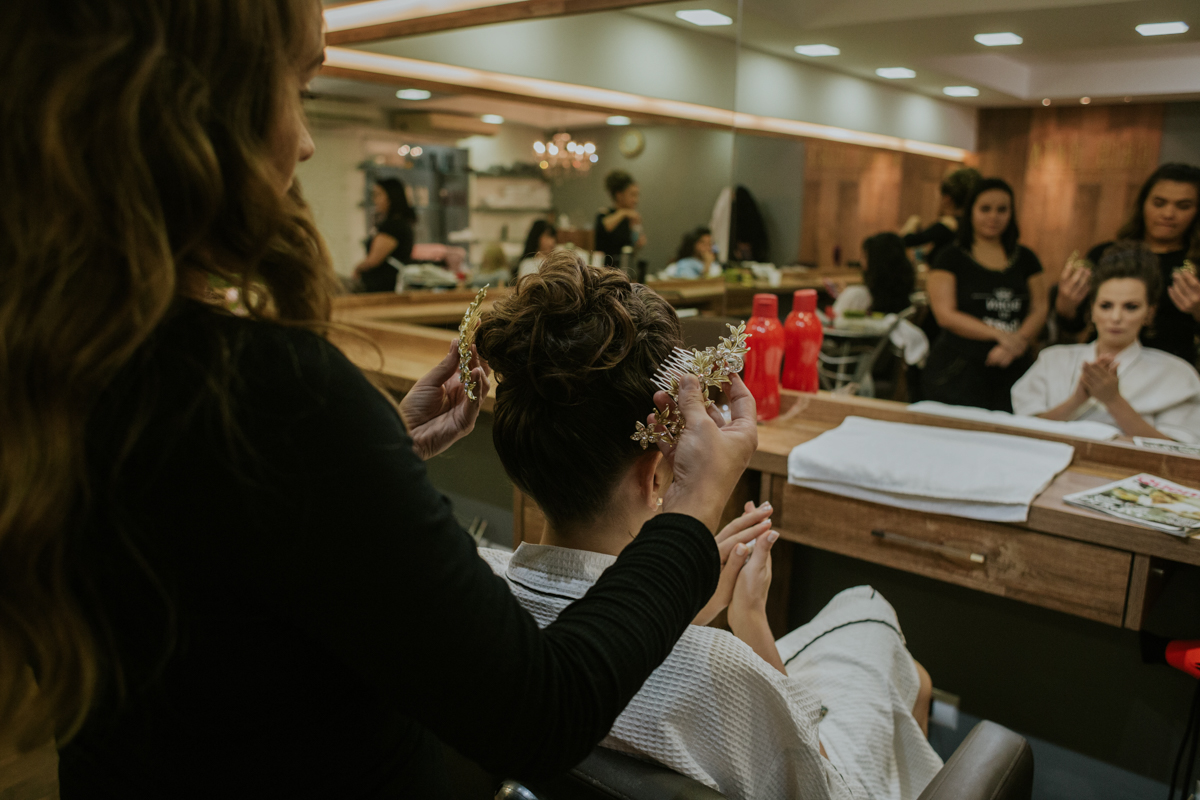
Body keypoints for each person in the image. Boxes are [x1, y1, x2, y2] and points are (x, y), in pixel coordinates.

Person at [1, 1, 761, 795]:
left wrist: (371, 461)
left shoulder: (66, 358)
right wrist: (691, 511)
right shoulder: (266, 396)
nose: (302, 138)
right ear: (191, 108)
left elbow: (228, 591)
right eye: (294, 86)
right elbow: (543, 714)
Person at [476, 253, 943, 800]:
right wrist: (751, 627)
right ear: (655, 476)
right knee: (871, 614)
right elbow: (827, 789)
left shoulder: (472, 595)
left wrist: (686, 604)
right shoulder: (727, 672)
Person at [1013, 243, 1200, 443]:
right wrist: (1078, 400)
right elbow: (1025, 432)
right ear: (1092, 309)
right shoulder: (1053, 359)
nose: (1116, 317)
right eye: (1106, 306)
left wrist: (1113, 400)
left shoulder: (1177, 374)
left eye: (1131, 307)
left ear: (1149, 313)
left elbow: (1179, 452)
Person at [922, 178, 1049, 411]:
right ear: (971, 211)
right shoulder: (949, 257)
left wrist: (1017, 342)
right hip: (958, 369)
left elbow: (1040, 307)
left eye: (1002, 209)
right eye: (985, 209)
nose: (993, 217)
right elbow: (945, 314)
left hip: (1014, 365)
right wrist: (1000, 335)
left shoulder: (1026, 258)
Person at [1055, 163, 1200, 363]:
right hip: (1105, 364)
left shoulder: (1195, 264)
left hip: (1171, 371)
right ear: (1143, 204)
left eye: (1183, 206)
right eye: (1159, 203)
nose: (1168, 214)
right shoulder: (1105, 255)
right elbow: (1073, 325)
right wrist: (1066, 305)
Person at [900, 167, 982, 270]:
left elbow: (906, 241)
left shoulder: (948, 224)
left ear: (947, 198)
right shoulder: (977, 226)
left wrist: (912, 222)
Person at [352, 177, 416, 292]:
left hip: (383, 285)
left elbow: (373, 260)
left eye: (378, 195)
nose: (375, 199)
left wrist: (357, 269)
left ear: (391, 197)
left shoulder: (393, 226)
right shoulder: (400, 223)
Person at [833, 232, 917, 316]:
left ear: (874, 264)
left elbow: (831, 323)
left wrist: (848, 297)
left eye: (864, 257)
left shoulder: (856, 296)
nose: (861, 262)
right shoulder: (908, 302)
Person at [594, 170, 646, 259]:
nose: (636, 200)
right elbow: (605, 226)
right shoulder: (604, 214)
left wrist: (639, 242)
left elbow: (633, 247)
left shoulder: (630, 218)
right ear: (619, 195)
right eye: (632, 195)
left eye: (637, 195)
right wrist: (624, 212)